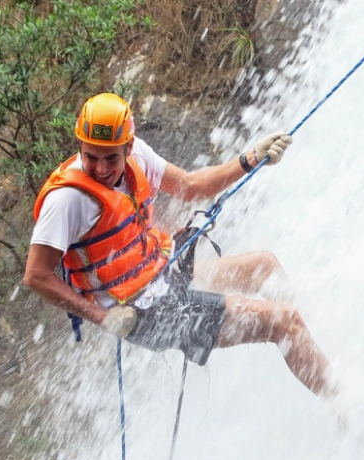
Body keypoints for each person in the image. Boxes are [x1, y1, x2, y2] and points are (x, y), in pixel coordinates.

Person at [23, 93, 334, 396]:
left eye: (111, 158)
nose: (101, 169)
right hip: (144, 315)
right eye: (90, 157)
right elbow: (36, 275)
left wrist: (249, 159)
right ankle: (348, 409)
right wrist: (103, 318)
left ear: (128, 147)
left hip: (163, 274)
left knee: (264, 266)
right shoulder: (66, 200)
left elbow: (190, 187)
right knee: (284, 321)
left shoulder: (139, 156)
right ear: (80, 145)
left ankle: (321, 345)